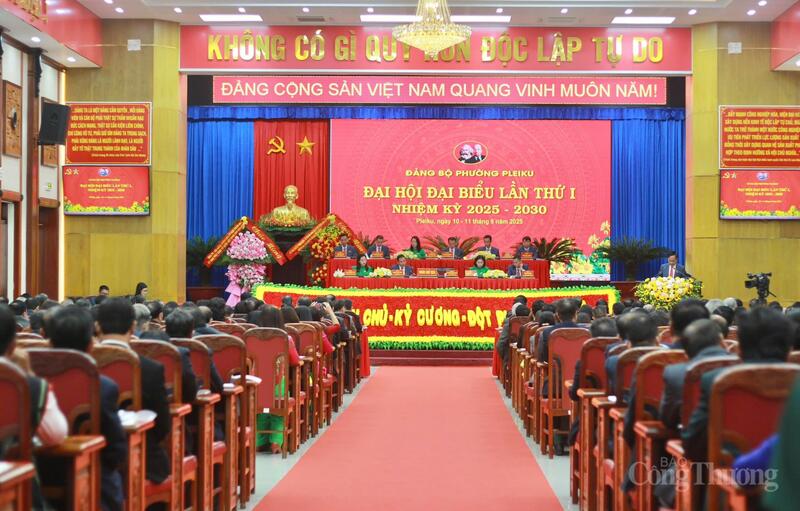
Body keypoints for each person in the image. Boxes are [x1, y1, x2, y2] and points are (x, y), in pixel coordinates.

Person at [683, 307, 794, 463]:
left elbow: (692, 444)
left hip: (730, 472)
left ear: (739, 348)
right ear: (789, 349)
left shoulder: (717, 380)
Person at [48, 306, 127, 511]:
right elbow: (116, 449)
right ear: (92, 345)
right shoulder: (102, 387)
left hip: (37, 475)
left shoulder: (29, 384)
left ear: (49, 343)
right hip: (92, 480)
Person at [96, 298, 171, 485]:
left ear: (97, 327)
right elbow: (163, 425)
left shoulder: (80, 368)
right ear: (132, 327)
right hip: (143, 461)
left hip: (88, 460)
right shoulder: (150, 369)